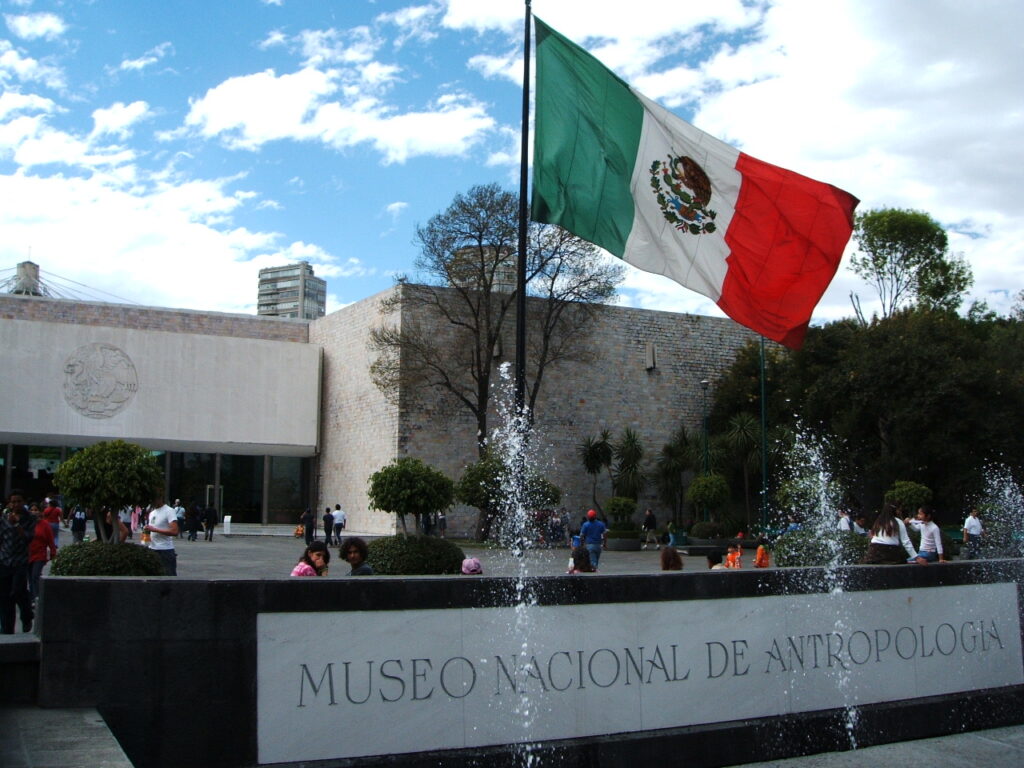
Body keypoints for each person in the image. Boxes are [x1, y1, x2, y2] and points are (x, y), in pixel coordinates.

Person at [1, 490, 35, 633]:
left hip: (20, 561)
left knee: (17, 591)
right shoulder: (3, 518)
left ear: (23, 502)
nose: (16, 504)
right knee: (4, 596)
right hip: (4, 561)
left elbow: (28, 538)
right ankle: (7, 627)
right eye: (13, 502)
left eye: (18, 501)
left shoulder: (29, 518)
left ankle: (27, 616)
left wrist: (16, 525)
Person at [143, 493, 179, 576]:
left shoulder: (169, 511)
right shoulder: (152, 513)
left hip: (165, 550)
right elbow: (151, 528)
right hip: (152, 548)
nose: (152, 502)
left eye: (154, 499)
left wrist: (155, 530)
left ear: (160, 498)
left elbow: (175, 531)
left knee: (168, 576)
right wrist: (147, 532)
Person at [28, 503, 57, 603]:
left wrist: (53, 552)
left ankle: (37, 597)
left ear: (40, 512)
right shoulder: (27, 524)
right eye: (32, 510)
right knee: (30, 577)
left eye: (36, 510)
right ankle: (33, 597)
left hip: (40, 554)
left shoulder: (45, 525)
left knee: (35, 575)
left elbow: (50, 540)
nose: (34, 512)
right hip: (28, 554)